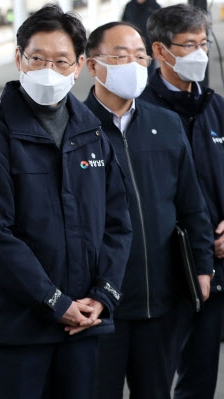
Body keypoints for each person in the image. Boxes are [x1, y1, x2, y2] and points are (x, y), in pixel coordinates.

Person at [0, 5, 132, 399]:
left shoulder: (91, 130)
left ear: (79, 66)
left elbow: (118, 220)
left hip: (84, 326)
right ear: (19, 58)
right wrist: (54, 301)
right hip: (19, 332)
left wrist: (102, 295)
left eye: (61, 61)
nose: (48, 70)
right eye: (37, 58)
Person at [83, 21, 214, 399]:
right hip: (100, 304)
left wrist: (202, 266)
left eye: (140, 56)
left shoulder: (165, 124)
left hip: (161, 300)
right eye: (121, 56)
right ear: (92, 66)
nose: (134, 64)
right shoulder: (76, 129)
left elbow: (192, 203)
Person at [140, 4, 224, 398]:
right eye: (188, 45)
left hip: (215, 264)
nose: (200, 55)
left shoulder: (215, 107)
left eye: (203, 44)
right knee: (155, 374)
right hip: (166, 264)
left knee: (202, 369)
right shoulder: (141, 110)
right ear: (160, 51)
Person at [121, 0, 161, 76]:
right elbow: (123, 26)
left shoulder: (155, 6)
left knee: (148, 76)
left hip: (149, 50)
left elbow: (159, 29)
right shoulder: (129, 6)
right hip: (131, 49)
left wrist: (157, 48)